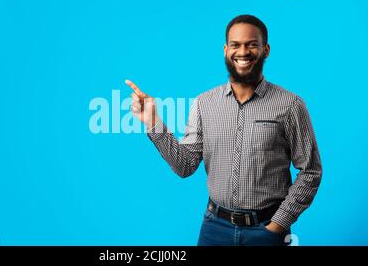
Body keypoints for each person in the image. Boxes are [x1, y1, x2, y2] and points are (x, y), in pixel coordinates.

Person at [125, 14, 322, 246]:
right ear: (226, 50)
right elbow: (185, 165)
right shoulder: (203, 103)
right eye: (236, 45)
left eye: (252, 44)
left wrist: (278, 223)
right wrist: (153, 121)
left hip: (267, 230)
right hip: (214, 228)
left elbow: (310, 171)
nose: (243, 52)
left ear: (266, 50)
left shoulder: (290, 105)